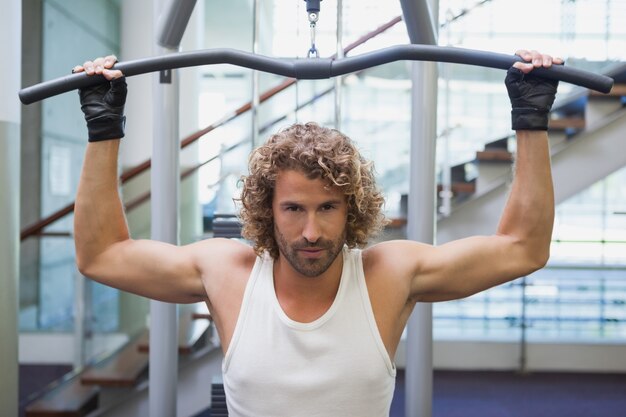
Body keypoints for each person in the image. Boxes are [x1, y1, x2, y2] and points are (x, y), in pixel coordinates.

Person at [72, 49, 562, 416]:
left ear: (353, 209)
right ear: (268, 208)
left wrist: (530, 120)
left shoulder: (390, 274)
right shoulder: (227, 271)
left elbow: (523, 248)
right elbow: (103, 255)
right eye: (293, 209)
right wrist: (104, 128)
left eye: (328, 207)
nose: (311, 231)